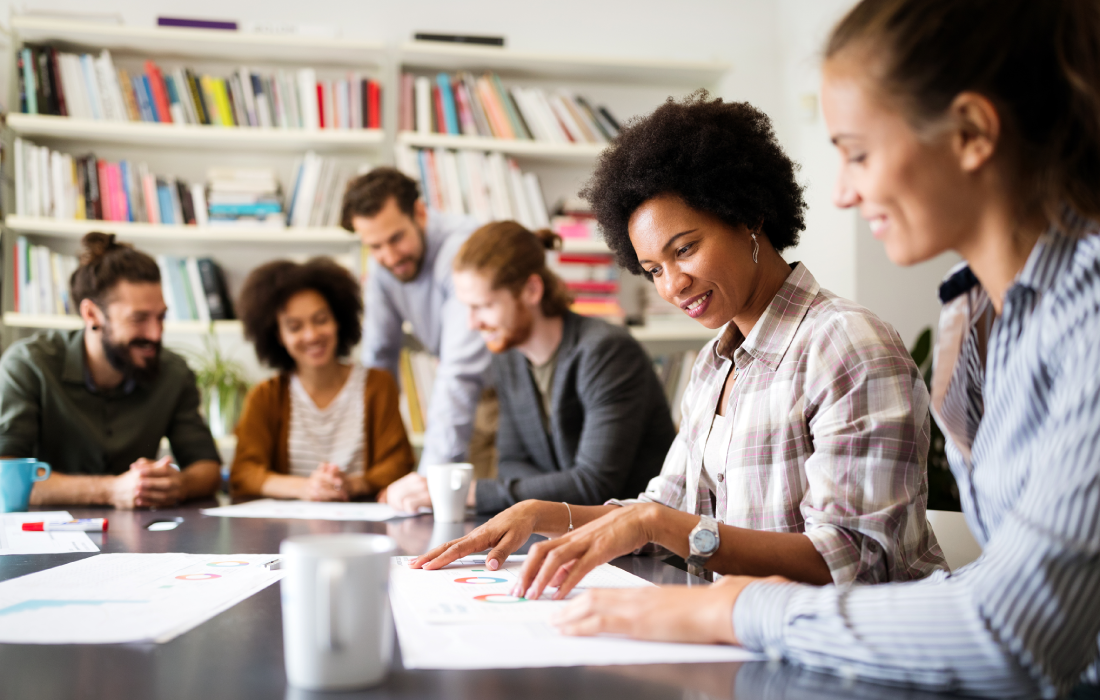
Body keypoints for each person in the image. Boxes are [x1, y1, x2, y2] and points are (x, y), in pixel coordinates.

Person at [541, 1, 1100, 697]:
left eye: (858, 152)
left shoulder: (868, 339)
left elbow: (1015, 627)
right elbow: (1007, 580)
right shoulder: (974, 313)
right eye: (654, 268)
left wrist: (730, 607)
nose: (840, 192)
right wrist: (553, 517)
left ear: (970, 131)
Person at [414, 93, 944, 596]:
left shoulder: (845, 343)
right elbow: (662, 509)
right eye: (653, 270)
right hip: (747, 630)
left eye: (685, 249)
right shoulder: (715, 365)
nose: (672, 285)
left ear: (748, 215)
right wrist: (542, 512)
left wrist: (658, 523)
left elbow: (853, 561)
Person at [383, 221, 677, 515]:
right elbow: (510, 463)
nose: (472, 323)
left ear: (532, 290)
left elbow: (593, 484)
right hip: (567, 536)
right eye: (467, 308)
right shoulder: (508, 357)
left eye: (483, 306)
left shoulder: (606, 352)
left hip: (637, 550)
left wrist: (468, 493)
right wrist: (560, 484)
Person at [0, 232, 220, 509]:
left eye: (161, 317)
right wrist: (109, 490)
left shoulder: (174, 373)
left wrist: (179, 484)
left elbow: (207, 467)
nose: (155, 333)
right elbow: (3, 476)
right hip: (41, 538)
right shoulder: (29, 365)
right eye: (138, 319)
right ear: (91, 314)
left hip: (142, 538)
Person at [341, 167, 494, 510]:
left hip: (502, 400)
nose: (389, 256)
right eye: (375, 246)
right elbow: (379, 357)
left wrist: (429, 480)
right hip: (461, 399)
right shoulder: (384, 267)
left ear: (420, 213)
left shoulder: (463, 249)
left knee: (483, 518)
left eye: (396, 239)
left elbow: (459, 372)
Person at [230, 258, 414, 502]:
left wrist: (353, 484)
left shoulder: (378, 385)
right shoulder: (265, 396)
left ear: (338, 320)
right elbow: (243, 473)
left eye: (321, 320)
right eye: (295, 327)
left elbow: (399, 463)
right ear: (278, 335)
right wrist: (305, 487)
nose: (311, 335)